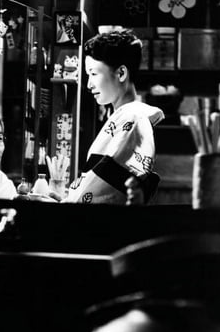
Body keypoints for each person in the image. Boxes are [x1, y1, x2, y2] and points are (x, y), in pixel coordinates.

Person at [49, 28, 164, 204]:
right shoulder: (126, 116)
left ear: (121, 73)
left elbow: (105, 192)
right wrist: (67, 200)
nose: (89, 84)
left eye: (94, 74)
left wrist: (68, 204)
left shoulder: (133, 118)